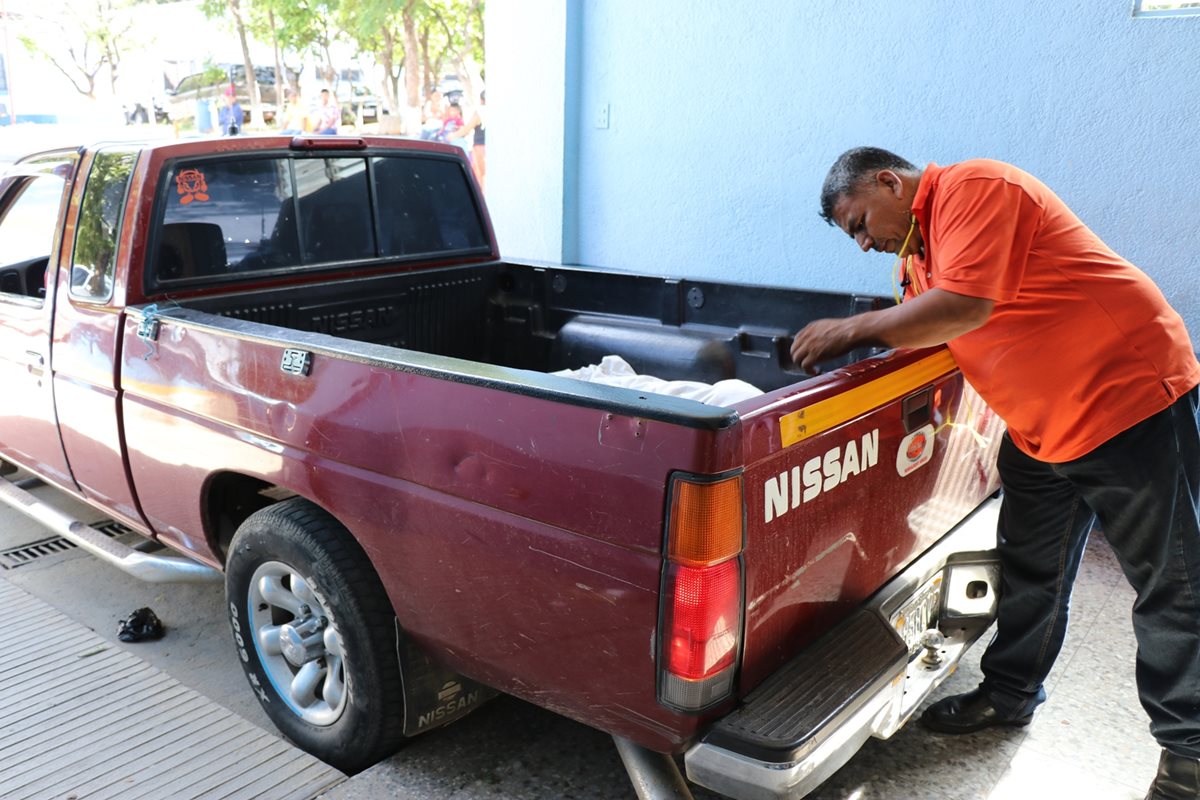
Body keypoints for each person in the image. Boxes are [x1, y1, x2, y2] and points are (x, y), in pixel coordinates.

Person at [792, 147, 1200, 800]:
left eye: (862, 224)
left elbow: (965, 308)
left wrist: (854, 329)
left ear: (889, 181)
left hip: (1127, 400)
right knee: (1031, 566)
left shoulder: (974, 189)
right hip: (1042, 427)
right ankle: (1009, 694)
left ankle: (1190, 759)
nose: (866, 244)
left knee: (1171, 584)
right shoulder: (915, 259)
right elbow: (932, 334)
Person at [447, 90, 486, 191]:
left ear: (481, 100)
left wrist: (452, 136)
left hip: (480, 147)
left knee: (480, 176)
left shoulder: (480, 112)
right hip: (491, 147)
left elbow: (467, 128)